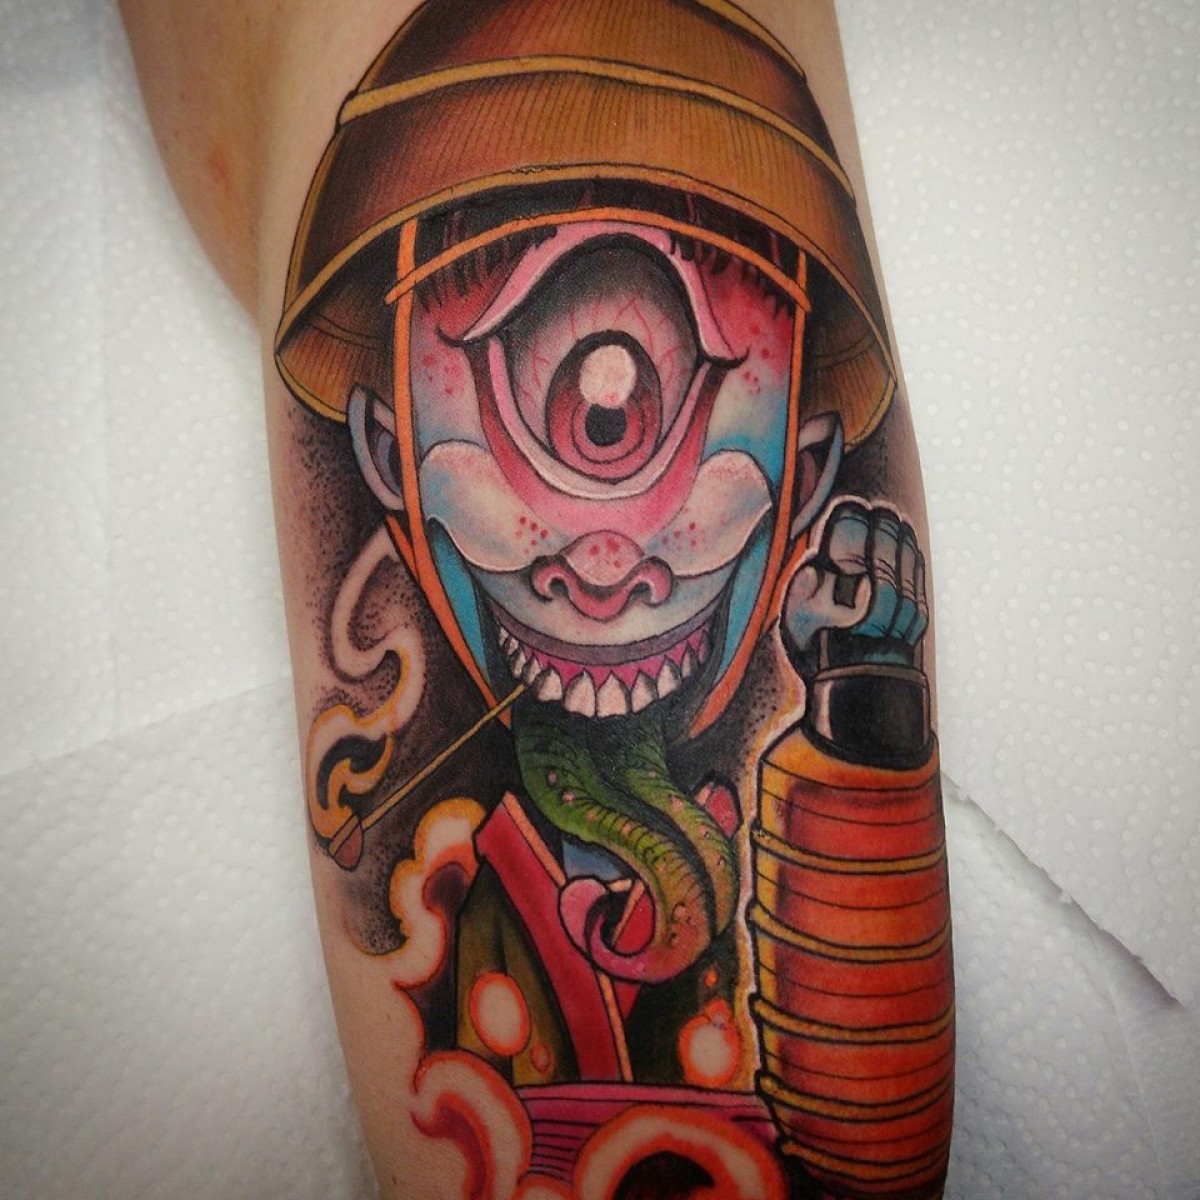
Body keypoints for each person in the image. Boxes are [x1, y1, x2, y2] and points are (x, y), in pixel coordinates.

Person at [120, 2, 953, 1197]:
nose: (604, 567)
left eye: (657, 423)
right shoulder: (467, 893)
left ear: (809, 474)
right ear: (386, 457)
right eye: (558, 419)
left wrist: (865, 733)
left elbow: (864, 1142)